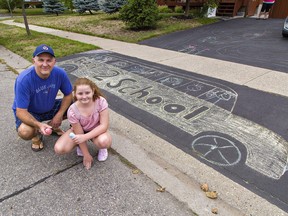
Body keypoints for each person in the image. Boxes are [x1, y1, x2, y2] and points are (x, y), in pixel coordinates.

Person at [12, 44, 73, 152]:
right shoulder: (24, 80)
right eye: (41, 60)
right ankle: (36, 135)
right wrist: (38, 125)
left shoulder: (60, 73)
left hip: (49, 106)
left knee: (77, 104)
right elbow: (20, 111)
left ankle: (53, 127)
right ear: (34, 61)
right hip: (30, 112)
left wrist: (58, 116)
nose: (45, 64)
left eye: (49, 60)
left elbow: (68, 95)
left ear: (54, 61)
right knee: (25, 131)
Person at [54, 77, 112, 170]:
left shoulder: (101, 101)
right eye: (80, 93)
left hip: (96, 129)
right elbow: (79, 133)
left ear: (93, 91)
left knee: (104, 141)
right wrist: (86, 155)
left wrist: (85, 137)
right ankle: (80, 146)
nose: (84, 96)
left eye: (87, 92)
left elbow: (104, 126)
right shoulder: (72, 110)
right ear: (75, 94)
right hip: (80, 131)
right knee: (59, 148)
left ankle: (102, 148)